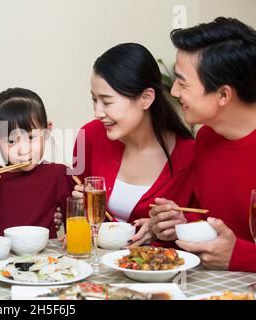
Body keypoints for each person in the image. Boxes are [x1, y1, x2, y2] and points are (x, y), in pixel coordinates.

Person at [149, 17, 256, 272]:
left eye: (183, 82)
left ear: (223, 95)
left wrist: (239, 256)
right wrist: (181, 223)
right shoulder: (207, 138)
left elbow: (234, 249)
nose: (174, 92)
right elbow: (211, 218)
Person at [66, 43, 195, 247]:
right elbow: (74, 214)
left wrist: (171, 228)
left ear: (146, 98)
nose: (97, 112)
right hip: (97, 270)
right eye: (94, 100)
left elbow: (204, 225)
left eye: (107, 102)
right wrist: (80, 211)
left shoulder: (189, 154)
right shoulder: (89, 136)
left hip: (157, 273)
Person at [0, 87, 74, 238]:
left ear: (47, 131)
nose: (23, 150)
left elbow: (79, 224)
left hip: (46, 260)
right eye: (11, 141)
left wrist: (74, 233)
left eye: (31, 137)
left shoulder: (59, 175)